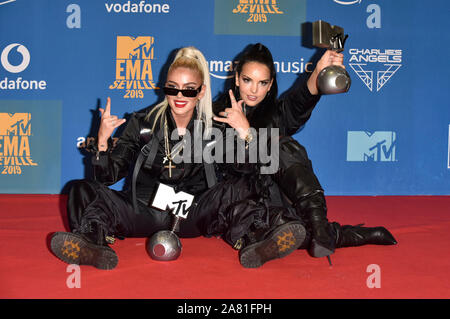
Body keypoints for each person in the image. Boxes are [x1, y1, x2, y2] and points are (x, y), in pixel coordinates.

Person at [201, 43, 397, 268]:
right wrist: (244, 134)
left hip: (272, 196)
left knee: (282, 146)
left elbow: (302, 97)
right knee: (281, 226)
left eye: (262, 82)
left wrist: (318, 71)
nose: (254, 90)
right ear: (236, 79)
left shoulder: (275, 114)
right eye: (247, 80)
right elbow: (224, 171)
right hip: (237, 202)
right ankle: (339, 235)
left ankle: (319, 225)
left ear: (270, 85)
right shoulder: (215, 116)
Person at [50, 46, 222, 270]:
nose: (180, 96)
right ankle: (92, 244)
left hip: (190, 215)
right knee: (80, 189)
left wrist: (245, 136)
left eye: (189, 90)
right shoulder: (141, 122)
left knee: (237, 188)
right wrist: (102, 141)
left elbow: (229, 183)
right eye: (172, 88)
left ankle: (255, 238)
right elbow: (107, 178)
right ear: (164, 88)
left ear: (201, 91)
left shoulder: (214, 129)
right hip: (144, 210)